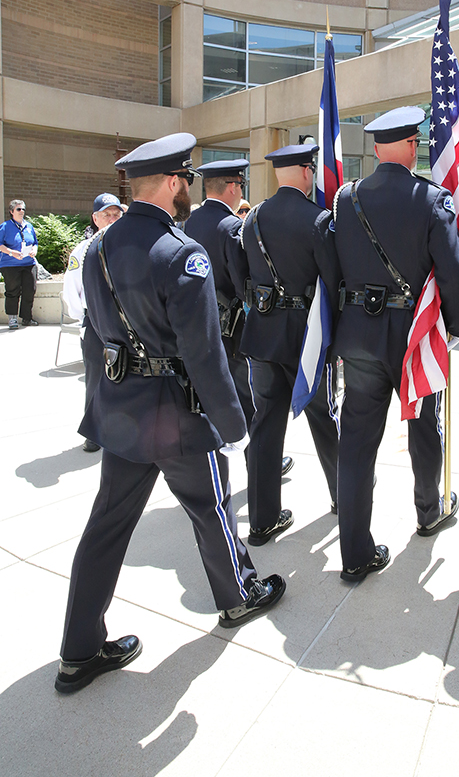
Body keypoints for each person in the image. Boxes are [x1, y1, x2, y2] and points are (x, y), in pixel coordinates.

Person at [55, 133, 285, 695]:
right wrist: (233, 427)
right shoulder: (182, 253)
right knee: (211, 510)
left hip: (124, 414)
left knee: (106, 527)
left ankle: (78, 651)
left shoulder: (99, 246)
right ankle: (237, 597)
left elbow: (101, 331)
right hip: (177, 415)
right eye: (185, 180)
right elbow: (204, 352)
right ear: (177, 182)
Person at [332, 107, 459, 582]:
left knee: (356, 446)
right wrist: (455, 325)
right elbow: (452, 271)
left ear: (375, 149)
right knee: (424, 428)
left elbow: (333, 268)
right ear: (413, 146)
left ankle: (354, 554)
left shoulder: (345, 199)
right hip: (413, 336)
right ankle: (429, 511)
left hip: (359, 337)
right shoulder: (433, 200)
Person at [238, 143, 340, 545]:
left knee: (265, 425)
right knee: (324, 419)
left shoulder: (252, 219)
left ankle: (262, 520)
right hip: (305, 337)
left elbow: (245, 273)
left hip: (263, 334)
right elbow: (332, 280)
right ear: (304, 171)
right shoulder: (318, 220)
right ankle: (343, 498)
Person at [184, 160, 293, 476]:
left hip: (200, 325)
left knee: (209, 397)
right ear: (232, 187)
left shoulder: (190, 223)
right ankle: (260, 464)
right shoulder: (231, 226)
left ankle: (212, 463)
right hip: (233, 329)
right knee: (250, 400)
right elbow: (244, 280)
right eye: (240, 185)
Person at [62, 193, 124, 452]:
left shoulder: (127, 247)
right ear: (95, 218)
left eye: (116, 213)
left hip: (124, 321)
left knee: (126, 378)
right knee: (96, 379)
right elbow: (71, 292)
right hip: (96, 321)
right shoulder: (84, 250)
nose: (112, 219)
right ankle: (94, 433)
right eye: (106, 214)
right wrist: (87, 318)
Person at [0, 199, 39, 329]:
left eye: (23, 209)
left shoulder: (29, 226)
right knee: (12, 291)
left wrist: (34, 250)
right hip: (10, 264)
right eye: (18, 209)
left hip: (28, 263)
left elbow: (35, 242)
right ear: (11, 212)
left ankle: (27, 318)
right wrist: (11, 252)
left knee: (30, 290)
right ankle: (12, 319)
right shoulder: (5, 226)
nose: (21, 211)